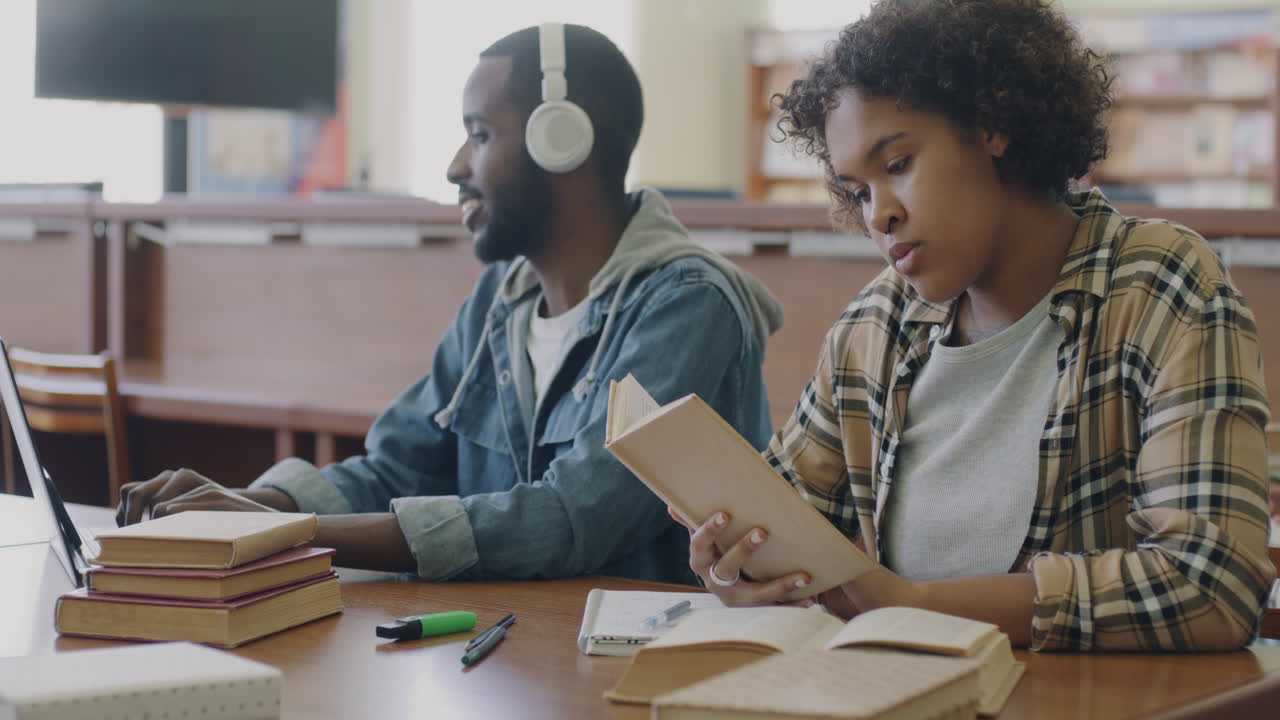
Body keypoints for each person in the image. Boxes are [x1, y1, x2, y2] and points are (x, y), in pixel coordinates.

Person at [677, 0, 1274, 651]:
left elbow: (1212, 586)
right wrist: (739, 561)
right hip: (885, 686)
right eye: (859, 191)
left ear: (993, 125)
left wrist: (914, 606)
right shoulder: (874, 327)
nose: (878, 216)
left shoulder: (1160, 286)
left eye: (898, 165)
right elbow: (784, 517)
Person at [116, 23, 782, 585]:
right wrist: (247, 504)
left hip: (643, 669)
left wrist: (284, 533)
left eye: (480, 134)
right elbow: (399, 466)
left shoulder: (687, 307)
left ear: (562, 144)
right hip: (514, 658)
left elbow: (569, 519)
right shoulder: (501, 301)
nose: (457, 165)